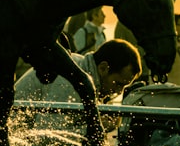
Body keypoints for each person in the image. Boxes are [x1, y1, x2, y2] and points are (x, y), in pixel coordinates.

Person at [13, 39, 141, 130]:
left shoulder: (82, 68)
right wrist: (96, 126)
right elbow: (47, 133)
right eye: (118, 84)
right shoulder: (71, 80)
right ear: (103, 68)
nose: (119, 92)